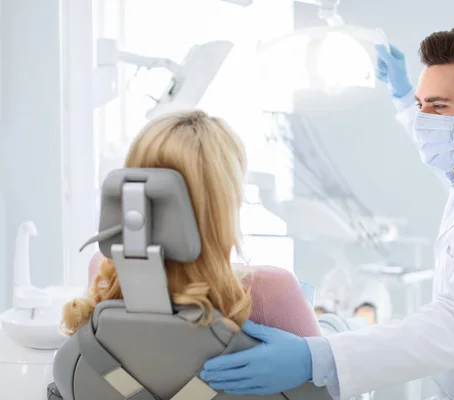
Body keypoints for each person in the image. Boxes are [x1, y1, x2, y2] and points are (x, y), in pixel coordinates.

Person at [200, 26, 454, 400]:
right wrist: (402, 97)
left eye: (438, 106)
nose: (424, 120)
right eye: (420, 104)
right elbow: (447, 145)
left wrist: (317, 358)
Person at [62, 110, 322, 339]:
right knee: (345, 320)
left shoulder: (103, 272)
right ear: (223, 205)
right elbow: (325, 384)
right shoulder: (269, 290)